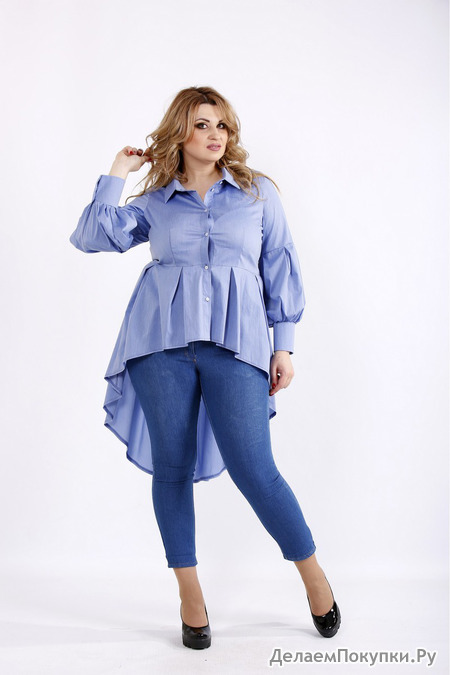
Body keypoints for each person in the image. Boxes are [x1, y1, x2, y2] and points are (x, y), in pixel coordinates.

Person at [69, 85, 341, 649]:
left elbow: (279, 263)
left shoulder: (257, 193)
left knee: (256, 470)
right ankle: (190, 598)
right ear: (179, 133)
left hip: (237, 347)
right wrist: (117, 173)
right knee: (171, 469)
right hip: (159, 346)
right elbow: (92, 237)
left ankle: (314, 576)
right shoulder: (156, 201)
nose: (215, 134)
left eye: (221, 125)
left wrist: (284, 344)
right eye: (201, 124)